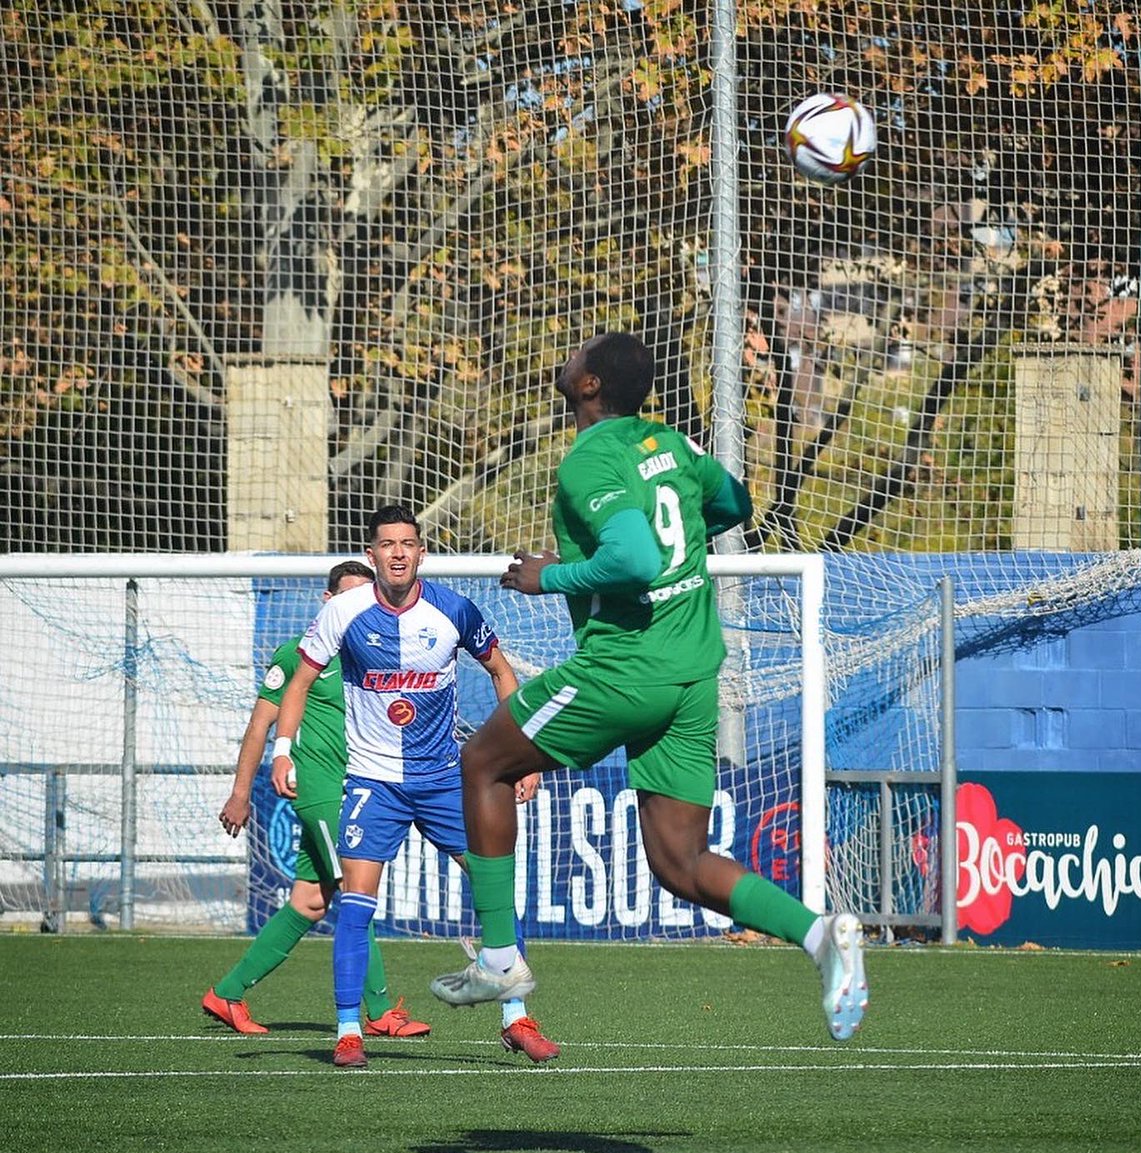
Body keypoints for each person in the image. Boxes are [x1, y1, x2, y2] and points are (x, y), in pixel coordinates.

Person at [430, 331, 868, 1042]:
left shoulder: (591, 458)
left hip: (625, 669)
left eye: (577, 355)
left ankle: (502, 958)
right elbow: (735, 504)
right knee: (679, 863)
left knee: (483, 762)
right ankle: (821, 937)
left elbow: (632, 559)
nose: (566, 357)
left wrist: (552, 577)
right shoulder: (673, 445)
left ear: (590, 385)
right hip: (693, 672)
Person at [270, 504, 557, 1068]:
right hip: (374, 782)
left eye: (408, 543)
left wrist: (524, 758)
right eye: (387, 544)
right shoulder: (345, 612)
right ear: (371, 552)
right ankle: (350, 1030)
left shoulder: (452, 610)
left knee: (496, 891)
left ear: (421, 551)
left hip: (445, 781)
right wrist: (283, 752)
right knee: (354, 905)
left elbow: (502, 673)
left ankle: (516, 1018)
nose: (398, 552)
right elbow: (300, 681)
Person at [203, 561, 428, 1039]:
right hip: (320, 792)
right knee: (355, 889)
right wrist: (241, 792)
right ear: (328, 602)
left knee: (309, 902)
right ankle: (381, 1010)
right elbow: (259, 726)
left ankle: (228, 992)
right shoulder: (298, 657)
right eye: (346, 598)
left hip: (359, 792)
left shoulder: (376, 657)